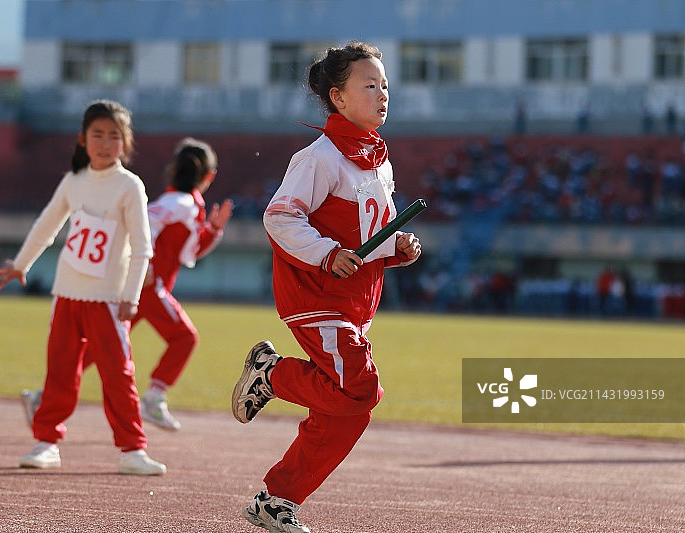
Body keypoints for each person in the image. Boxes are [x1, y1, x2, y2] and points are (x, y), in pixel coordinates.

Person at [231, 41, 421, 533]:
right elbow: (279, 217)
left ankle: (276, 501)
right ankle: (272, 375)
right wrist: (327, 254)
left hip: (354, 301)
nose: (382, 93)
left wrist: (395, 246)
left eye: (384, 85)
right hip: (316, 297)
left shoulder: (378, 157)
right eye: (369, 85)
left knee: (348, 407)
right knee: (360, 390)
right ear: (337, 98)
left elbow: (366, 229)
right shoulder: (320, 156)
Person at [0, 100, 165, 476]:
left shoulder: (129, 186)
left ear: (126, 142)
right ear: (83, 140)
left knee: (118, 375)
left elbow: (142, 246)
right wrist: (21, 265)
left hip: (107, 300)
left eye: (114, 136)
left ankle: (132, 450)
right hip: (67, 294)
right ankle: (46, 442)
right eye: (97, 135)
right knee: (60, 372)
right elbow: (46, 225)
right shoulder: (74, 181)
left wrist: (131, 296)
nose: (105, 143)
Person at [21, 138, 233, 431]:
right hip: (145, 288)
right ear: (209, 177)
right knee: (185, 338)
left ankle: (43, 398)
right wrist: (141, 263)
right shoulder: (180, 203)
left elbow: (189, 252)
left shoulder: (183, 204)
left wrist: (214, 230)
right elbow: (146, 221)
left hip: (140, 287)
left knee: (99, 350)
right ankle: (155, 397)